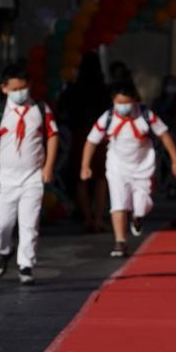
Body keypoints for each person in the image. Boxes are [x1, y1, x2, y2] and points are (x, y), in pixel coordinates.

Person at [81, 80, 176, 257]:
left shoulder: (145, 115)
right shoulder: (108, 117)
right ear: (113, 100)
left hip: (143, 167)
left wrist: (175, 160)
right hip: (117, 167)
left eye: (127, 103)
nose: (123, 107)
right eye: (119, 103)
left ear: (135, 100)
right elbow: (91, 141)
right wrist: (85, 166)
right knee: (118, 203)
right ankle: (120, 242)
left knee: (142, 205)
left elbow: (164, 135)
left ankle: (138, 217)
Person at [0, 66, 60, 285]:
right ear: (4, 88)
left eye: (23, 88)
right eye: (15, 89)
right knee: (1, 224)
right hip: (6, 179)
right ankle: (3, 250)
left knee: (29, 224)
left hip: (32, 177)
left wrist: (48, 167)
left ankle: (26, 265)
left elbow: (53, 136)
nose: (20, 93)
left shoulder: (40, 109)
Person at [58, 52, 110, 233]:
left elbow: (63, 109)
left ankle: (87, 217)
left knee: (82, 177)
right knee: (101, 178)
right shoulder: (103, 90)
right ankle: (98, 218)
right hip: (100, 137)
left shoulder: (73, 89)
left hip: (79, 135)